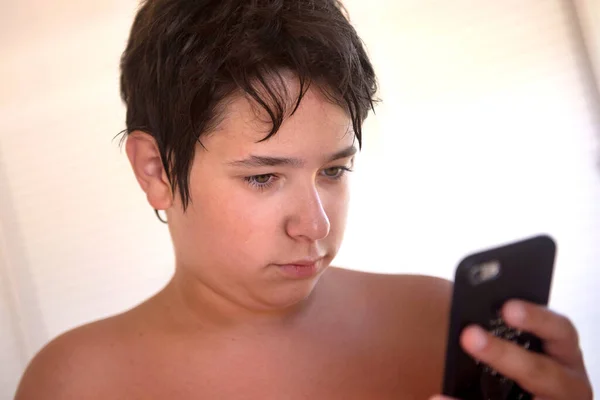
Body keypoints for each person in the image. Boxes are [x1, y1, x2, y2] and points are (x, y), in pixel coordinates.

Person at [15, 0, 593, 399]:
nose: (314, 226)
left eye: (335, 169)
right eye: (264, 177)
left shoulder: (442, 325)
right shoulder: (77, 385)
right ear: (156, 169)